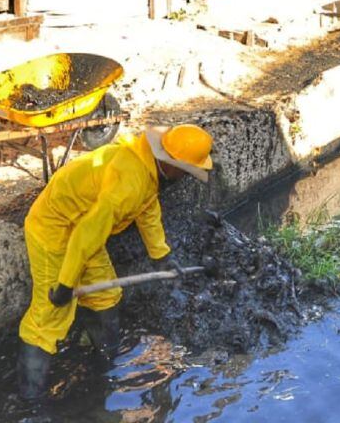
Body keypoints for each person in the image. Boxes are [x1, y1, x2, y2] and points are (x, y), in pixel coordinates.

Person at [18, 124, 214, 400]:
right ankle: (30, 400)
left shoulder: (146, 168)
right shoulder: (129, 182)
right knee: (49, 315)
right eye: (185, 172)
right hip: (55, 227)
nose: (184, 178)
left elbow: (147, 209)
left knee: (106, 296)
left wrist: (162, 257)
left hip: (81, 229)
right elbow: (87, 233)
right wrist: (64, 284)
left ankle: (102, 368)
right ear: (172, 164)